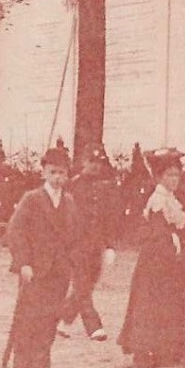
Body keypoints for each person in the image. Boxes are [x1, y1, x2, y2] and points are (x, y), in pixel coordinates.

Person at [4, 147, 82, 368]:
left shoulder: (69, 201)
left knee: (51, 316)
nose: (58, 177)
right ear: (44, 173)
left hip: (60, 269)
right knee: (29, 316)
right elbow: (15, 232)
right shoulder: (32, 199)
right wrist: (23, 263)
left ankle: (41, 362)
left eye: (62, 173)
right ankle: (21, 366)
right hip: (36, 269)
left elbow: (75, 234)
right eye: (53, 172)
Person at [119, 148, 185, 368]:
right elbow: (157, 230)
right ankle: (144, 350)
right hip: (156, 256)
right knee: (150, 303)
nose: (174, 180)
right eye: (169, 175)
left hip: (169, 255)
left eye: (176, 175)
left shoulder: (172, 198)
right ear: (159, 177)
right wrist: (170, 243)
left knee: (168, 302)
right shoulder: (158, 199)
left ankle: (165, 348)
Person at [58, 145, 118, 341]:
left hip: (96, 243)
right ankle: (94, 327)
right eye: (91, 162)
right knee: (82, 284)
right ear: (83, 162)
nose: (95, 166)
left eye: (98, 162)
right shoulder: (71, 186)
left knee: (88, 284)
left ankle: (61, 320)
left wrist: (109, 245)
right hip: (75, 243)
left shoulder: (105, 188)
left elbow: (108, 218)